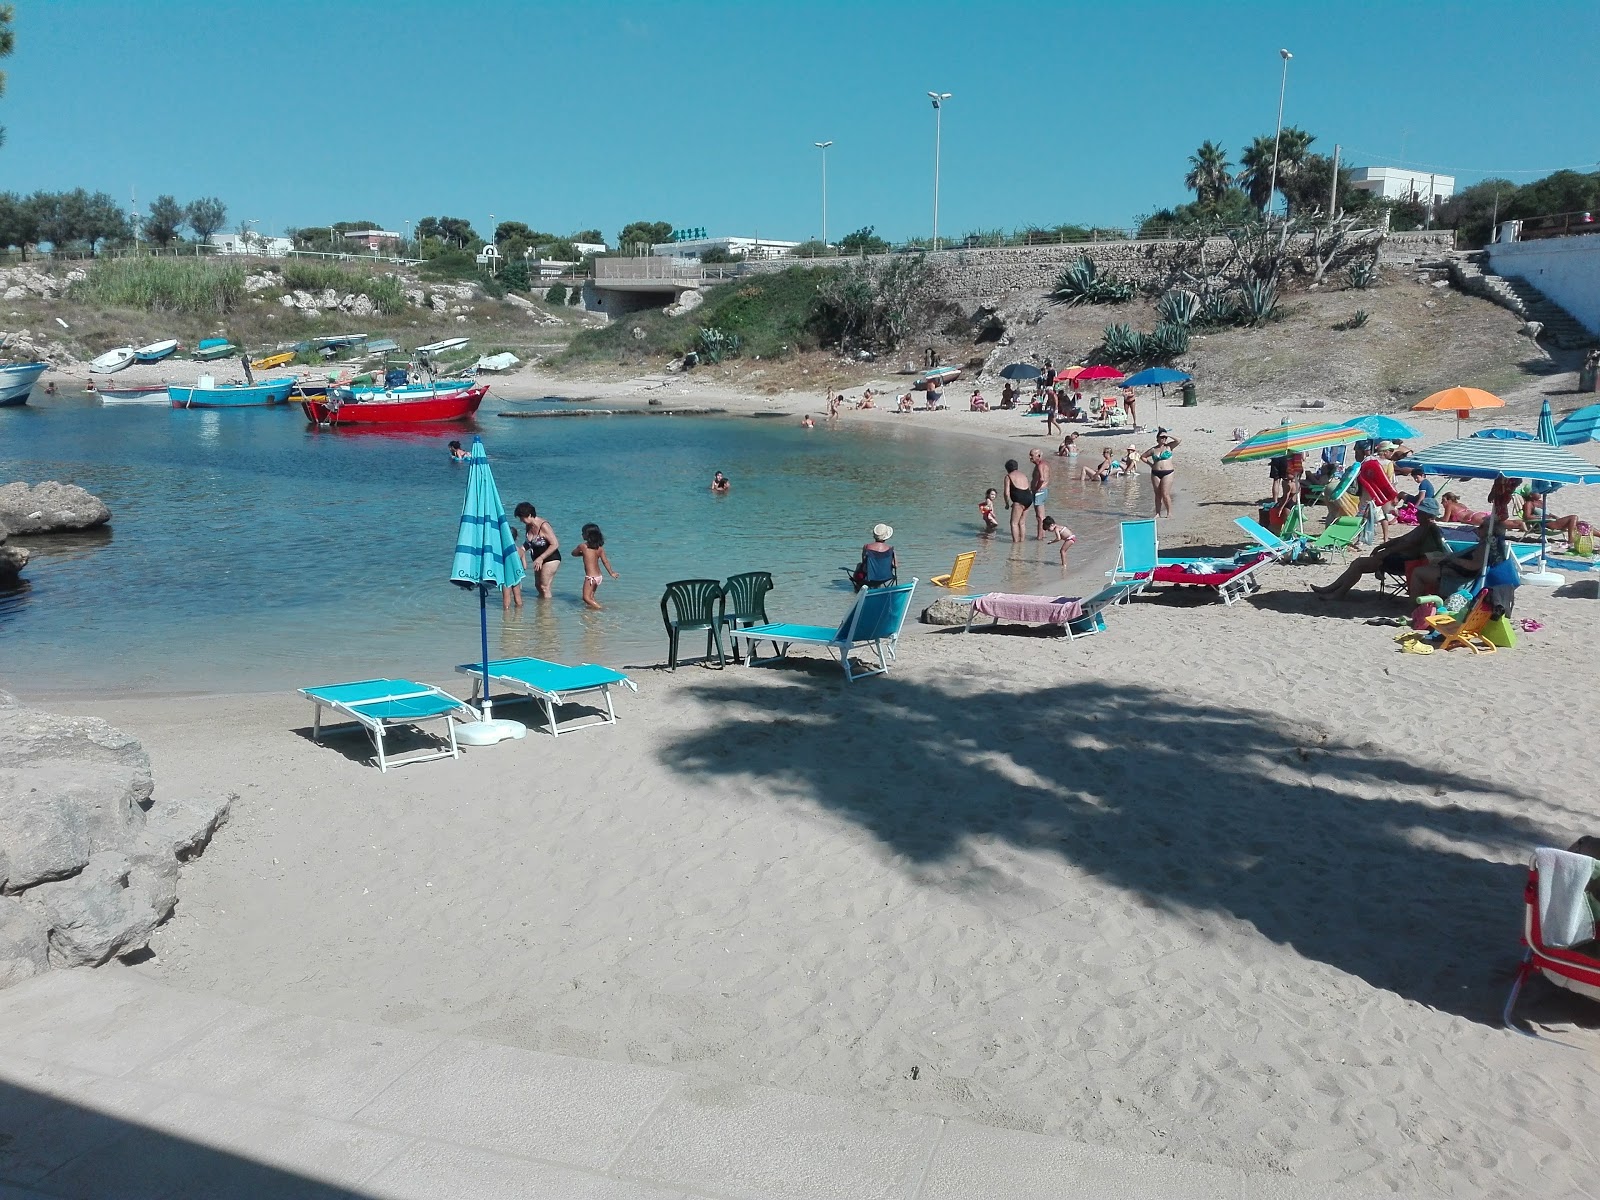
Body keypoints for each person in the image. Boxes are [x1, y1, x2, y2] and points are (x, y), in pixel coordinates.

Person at [1311, 496, 1448, 599]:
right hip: (1399, 558)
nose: (1416, 514)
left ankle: (1337, 593)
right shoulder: (1424, 527)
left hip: (1403, 562)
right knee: (1358, 563)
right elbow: (1402, 539)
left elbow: (1409, 544)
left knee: (1359, 564)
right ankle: (1332, 589)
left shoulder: (1428, 529)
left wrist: (1385, 552)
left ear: (1427, 514)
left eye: (1420, 512)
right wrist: (1383, 545)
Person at [514, 501, 562, 599]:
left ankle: (547, 612)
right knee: (538, 586)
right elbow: (529, 543)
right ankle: (541, 609)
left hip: (550, 558)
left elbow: (555, 544)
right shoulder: (529, 526)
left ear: (530, 515)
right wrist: (521, 550)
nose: (521, 520)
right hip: (537, 559)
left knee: (544, 587)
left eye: (522, 517)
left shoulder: (543, 526)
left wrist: (541, 558)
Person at [576, 523, 618, 610]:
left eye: (583, 533)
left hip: (590, 578)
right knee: (591, 597)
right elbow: (605, 562)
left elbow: (573, 553)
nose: (581, 534)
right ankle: (592, 612)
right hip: (598, 577)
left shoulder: (583, 546)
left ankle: (601, 609)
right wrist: (611, 573)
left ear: (587, 535)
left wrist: (582, 554)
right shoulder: (600, 549)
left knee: (586, 598)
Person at [1140, 430, 1180, 518]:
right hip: (1155, 473)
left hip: (1168, 472)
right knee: (1157, 494)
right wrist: (1150, 464)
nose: (1164, 439)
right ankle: (1157, 513)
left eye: (1165, 437)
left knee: (1165, 493)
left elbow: (1178, 440)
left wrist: (1168, 435)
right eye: (1161, 437)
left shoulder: (1169, 447)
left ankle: (1169, 513)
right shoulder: (1153, 449)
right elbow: (1142, 457)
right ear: (1157, 439)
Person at [852, 523, 898, 589]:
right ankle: (877, 586)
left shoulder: (867, 547)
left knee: (859, 565)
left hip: (870, 577)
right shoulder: (891, 550)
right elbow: (895, 565)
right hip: (886, 577)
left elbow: (864, 562)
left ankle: (858, 588)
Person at [1001, 458, 1033, 543]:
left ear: (1007, 469)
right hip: (1029, 498)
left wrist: (1007, 503)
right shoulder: (1023, 475)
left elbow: (1006, 493)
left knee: (1014, 523)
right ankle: (1022, 543)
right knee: (1022, 522)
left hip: (1019, 500)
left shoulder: (1008, 476)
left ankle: (1015, 544)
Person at [1028, 449, 1051, 538]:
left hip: (1039, 492)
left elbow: (1041, 479)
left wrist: (1036, 489)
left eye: (1031, 455)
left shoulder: (1040, 465)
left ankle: (1039, 537)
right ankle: (1042, 535)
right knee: (1042, 516)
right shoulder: (1044, 464)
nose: (1030, 457)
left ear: (1038, 456)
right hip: (1043, 491)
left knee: (1039, 517)